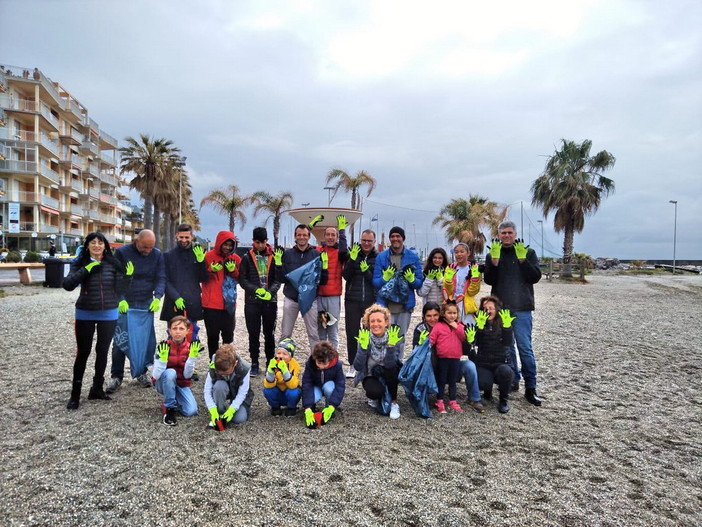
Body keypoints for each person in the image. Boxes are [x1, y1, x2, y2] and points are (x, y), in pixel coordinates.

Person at [63, 232, 130, 409]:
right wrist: (87, 270)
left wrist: (128, 276)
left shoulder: (112, 263)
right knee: (83, 353)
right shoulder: (79, 262)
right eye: (93, 242)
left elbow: (120, 288)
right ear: (87, 246)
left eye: (100, 242)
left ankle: (97, 389)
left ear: (105, 246)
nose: (97, 245)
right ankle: (75, 395)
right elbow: (67, 285)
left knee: (102, 351)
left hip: (108, 312)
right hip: (85, 311)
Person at [483, 220, 543, 406]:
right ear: (499, 235)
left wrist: (523, 261)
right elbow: (490, 280)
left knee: (525, 348)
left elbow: (535, 277)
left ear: (515, 234)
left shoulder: (528, 252)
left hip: (522, 308)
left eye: (509, 232)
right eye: (503, 233)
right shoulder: (493, 252)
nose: (506, 236)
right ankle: (512, 380)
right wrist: (493, 262)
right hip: (501, 309)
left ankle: (531, 388)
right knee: (507, 348)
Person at [107, 229, 166, 393]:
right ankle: (116, 376)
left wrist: (157, 297)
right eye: (145, 247)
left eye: (151, 247)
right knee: (120, 338)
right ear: (137, 241)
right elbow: (115, 277)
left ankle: (141, 372)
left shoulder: (157, 255)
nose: (148, 251)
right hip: (126, 301)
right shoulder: (121, 252)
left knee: (145, 339)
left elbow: (161, 277)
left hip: (146, 302)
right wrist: (120, 299)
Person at [413, 301, 485, 413]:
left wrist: (470, 342)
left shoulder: (459, 326)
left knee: (470, 366)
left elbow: (467, 352)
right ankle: (426, 395)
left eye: (435, 315)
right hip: (431, 366)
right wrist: (421, 344)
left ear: (440, 314)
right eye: (429, 316)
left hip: (453, 360)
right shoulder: (422, 328)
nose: (432, 319)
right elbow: (416, 354)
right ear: (424, 317)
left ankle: (474, 398)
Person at [276, 223, 327, 352]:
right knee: (285, 333)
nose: (302, 237)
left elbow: (322, 281)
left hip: (310, 301)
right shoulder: (287, 254)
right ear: (295, 236)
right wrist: (278, 265)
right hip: (291, 299)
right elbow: (281, 279)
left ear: (309, 237)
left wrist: (325, 267)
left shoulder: (316, 254)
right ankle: (282, 360)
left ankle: (316, 362)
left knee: (313, 333)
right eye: (299, 235)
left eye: (304, 235)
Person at [372, 226, 423, 351]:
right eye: (393, 236)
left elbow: (419, 283)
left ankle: (398, 367)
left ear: (403, 239)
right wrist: (384, 278)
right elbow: (375, 282)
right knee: (383, 338)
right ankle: (384, 367)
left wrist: (412, 280)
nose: (395, 239)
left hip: (404, 306)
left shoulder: (413, 257)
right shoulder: (381, 257)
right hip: (385, 306)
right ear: (390, 239)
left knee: (400, 339)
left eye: (398, 236)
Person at [238, 227, 281, 377]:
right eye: (257, 242)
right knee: (253, 333)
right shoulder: (246, 257)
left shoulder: (274, 256)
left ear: (267, 241)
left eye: (263, 242)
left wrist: (271, 292)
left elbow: (278, 278)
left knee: (269, 333)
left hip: (270, 301)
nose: (261, 246)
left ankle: (270, 362)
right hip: (252, 301)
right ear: (253, 242)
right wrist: (255, 290)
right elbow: (242, 279)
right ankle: (255, 362)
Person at [353, 304, 404, 419]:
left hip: (388, 372)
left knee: (392, 369)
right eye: (372, 321)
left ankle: (394, 403)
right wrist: (363, 348)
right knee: (375, 392)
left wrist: (391, 347)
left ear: (386, 323)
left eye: (379, 321)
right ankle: (377, 397)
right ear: (368, 323)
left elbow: (391, 365)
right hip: (371, 374)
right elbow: (357, 366)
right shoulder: (365, 337)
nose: (375, 324)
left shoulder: (392, 336)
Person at [468, 296, 515, 414]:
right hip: (484, 363)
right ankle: (487, 393)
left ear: (497, 309)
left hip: (501, 362)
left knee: (505, 372)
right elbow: (475, 343)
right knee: (482, 382)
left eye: (491, 308)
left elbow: (508, 342)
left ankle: (503, 400)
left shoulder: (503, 322)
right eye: (485, 308)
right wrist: (479, 329)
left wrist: (507, 328)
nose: (488, 311)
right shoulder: (480, 323)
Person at [151, 316, 201, 426]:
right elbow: (155, 375)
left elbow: (188, 376)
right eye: (174, 328)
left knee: (191, 411)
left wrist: (192, 358)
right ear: (169, 330)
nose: (178, 332)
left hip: (181, 383)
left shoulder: (190, 347)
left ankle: (172, 399)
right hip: (164, 382)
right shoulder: (163, 346)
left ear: (188, 331)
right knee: (170, 373)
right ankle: (170, 410)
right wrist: (162, 360)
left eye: (181, 328)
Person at [201, 230, 241, 359]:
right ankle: (213, 362)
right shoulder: (208, 257)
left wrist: (233, 271)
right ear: (219, 243)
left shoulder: (235, 259)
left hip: (229, 305)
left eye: (230, 245)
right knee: (212, 336)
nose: (227, 247)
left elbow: (242, 279)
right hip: (211, 305)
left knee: (228, 336)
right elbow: (199, 277)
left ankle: (227, 362)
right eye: (225, 244)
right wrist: (210, 270)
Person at [342, 229, 377, 378]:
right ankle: (352, 364)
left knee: (369, 334)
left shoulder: (378, 258)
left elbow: (376, 280)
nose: (366, 243)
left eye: (369, 241)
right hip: (352, 299)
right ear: (360, 240)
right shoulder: (353, 254)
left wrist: (367, 271)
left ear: (374, 242)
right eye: (364, 240)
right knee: (352, 333)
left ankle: (368, 364)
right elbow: (346, 276)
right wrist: (351, 260)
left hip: (370, 300)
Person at [160, 223, 208, 329]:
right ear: (177, 235)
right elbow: (165, 280)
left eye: (187, 237)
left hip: (192, 302)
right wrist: (176, 297)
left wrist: (201, 262)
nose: (184, 240)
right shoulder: (168, 256)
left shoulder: (198, 254)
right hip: (173, 303)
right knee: (173, 336)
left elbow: (204, 278)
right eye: (181, 237)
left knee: (192, 335)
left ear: (192, 236)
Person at [316, 215, 349, 350]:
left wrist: (342, 232)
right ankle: (320, 357)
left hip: (333, 297)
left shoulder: (339, 252)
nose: (330, 237)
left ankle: (333, 358)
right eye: (328, 235)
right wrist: (312, 224)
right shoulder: (318, 251)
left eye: (333, 235)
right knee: (321, 329)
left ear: (336, 237)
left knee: (333, 330)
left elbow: (344, 251)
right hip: (319, 296)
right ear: (324, 237)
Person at [429, 301, 468, 413]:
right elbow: (432, 339)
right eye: (449, 313)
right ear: (443, 313)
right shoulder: (438, 326)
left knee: (452, 380)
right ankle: (439, 400)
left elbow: (463, 338)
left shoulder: (460, 326)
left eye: (454, 313)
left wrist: (457, 327)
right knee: (441, 380)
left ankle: (453, 400)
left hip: (455, 357)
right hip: (443, 357)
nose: (452, 315)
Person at [204, 343, 253, 428]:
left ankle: (230, 408)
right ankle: (220, 410)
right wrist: (212, 410)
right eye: (219, 373)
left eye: (226, 373)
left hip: (237, 392)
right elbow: (207, 390)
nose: (223, 375)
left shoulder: (245, 368)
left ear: (235, 363)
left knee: (239, 419)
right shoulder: (214, 364)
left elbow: (243, 393)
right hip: (223, 388)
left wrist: (232, 410)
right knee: (219, 386)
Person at [301, 340, 346, 427]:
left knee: (329, 388)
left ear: (330, 359)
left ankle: (329, 407)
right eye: (318, 363)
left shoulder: (337, 365)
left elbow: (340, 386)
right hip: (316, 386)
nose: (321, 366)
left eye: (324, 363)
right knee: (313, 397)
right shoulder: (310, 364)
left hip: (329, 385)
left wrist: (333, 405)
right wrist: (307, 407)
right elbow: (306, 384)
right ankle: (312, 407)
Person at [443, 243, 481, 325]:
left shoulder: (474, 268)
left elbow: (472, 292)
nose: (459, 254)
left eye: (462, 252)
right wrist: (448, 281)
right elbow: (447, 290)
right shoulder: (450, 267)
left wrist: (475, 279)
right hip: (453, 302)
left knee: (468, 329)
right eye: (456, 252)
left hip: (467, 304)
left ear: (468, 253)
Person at [262, 338, 301, 417]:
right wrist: (270, 372)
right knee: (267, 390)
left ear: (290, 356)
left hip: (289, 392)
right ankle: (275, 407)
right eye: (279, 353)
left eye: (285, 354)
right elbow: (268, 385)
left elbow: (293, 385)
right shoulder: (273, 362)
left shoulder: (295, 365)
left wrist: (285, 372)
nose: (281, 356)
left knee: (295, 391)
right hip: (278, 391)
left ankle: (291, 408)